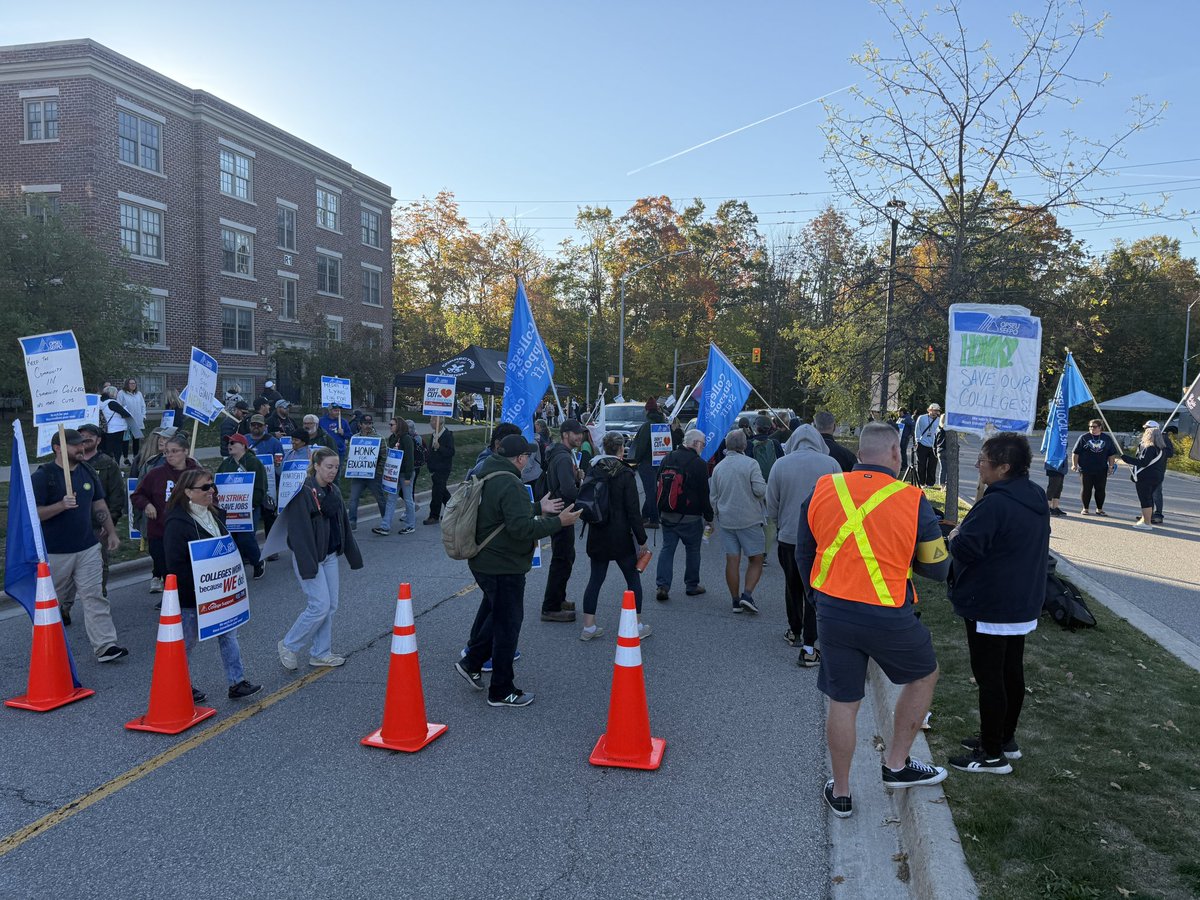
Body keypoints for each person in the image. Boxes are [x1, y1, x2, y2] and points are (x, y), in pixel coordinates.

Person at [796, 422, 951, 819]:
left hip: (832, 610)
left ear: (860, 452)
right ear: (896, 454)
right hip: (887, 614)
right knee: (923, 675)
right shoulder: (911, 498)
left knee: (843, 702)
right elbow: (936, 568)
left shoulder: (823, 488)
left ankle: (842, 793)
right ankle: (896, 765)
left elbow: (803, 552)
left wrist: (817, 596)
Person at [945, 433, 1048, 774]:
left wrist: (954, 536)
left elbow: (968, 547)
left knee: (990, 678)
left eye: (983, 462)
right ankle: (1004, 738)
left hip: (992, 603)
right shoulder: (1034, 494)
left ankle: (991, 755)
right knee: (1010, 671)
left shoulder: (996, 503)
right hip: (1021, 600)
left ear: (1004, 467)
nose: (979, 466)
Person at [454, 434, 582, 707]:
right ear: (520, 458)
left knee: (495, 616)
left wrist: (538, 506)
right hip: (503, 565)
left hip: (486, 561)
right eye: (528, 456)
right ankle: (501, 690)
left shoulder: (488, 473)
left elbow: (503, 514)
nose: (530, 461)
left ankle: (471, 662)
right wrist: (559, 521)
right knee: (507, 627)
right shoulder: (510, 482)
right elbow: (521, 528)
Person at [162, 468, 262, 701]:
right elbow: (175, 564)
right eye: (205, 487)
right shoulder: (177, 523)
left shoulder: (215, 515)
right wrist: (200, 588)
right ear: (188, 492)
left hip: (220, 593)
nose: (212, 491)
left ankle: (236, 682)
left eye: (212, 485)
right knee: (185, 644)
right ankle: (180, 687)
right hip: (192, 596)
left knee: (229, 635)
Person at [31, 429, 127, 662]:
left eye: (83, 444)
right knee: (54, 602)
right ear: (58, 448)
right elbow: (33, 514)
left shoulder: (87, 471)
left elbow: (99, 503)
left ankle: (105, 646)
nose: (81, 448)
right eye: (76, 445)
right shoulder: (44, 476)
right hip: (55, 551)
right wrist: (61, 506)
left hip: (88, 547)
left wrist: (111, 532)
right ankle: (45, 648)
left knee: (94, 596)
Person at [277, 447, 363, 669]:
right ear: (316, 466)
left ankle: (321, 653)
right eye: (328, 467)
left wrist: (354, 557)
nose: (333, 471)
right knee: (319, 606)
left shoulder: (333, 490)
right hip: (311, 557)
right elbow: (299, 534)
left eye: (336, 467)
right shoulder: (304, 492)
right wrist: (308, 566)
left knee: (330, 606)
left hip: (330, 555)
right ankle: (289, 645)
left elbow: (343, 524)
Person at [767, 422, 841, 665]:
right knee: (816, 588)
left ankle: (795, 630)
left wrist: (781, 524)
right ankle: (811, 639)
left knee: (792, 586)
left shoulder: (780, 464)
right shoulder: (830, 464)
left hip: (789, 537)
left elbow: (772, 504)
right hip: (821, 538)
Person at [580, 432, 651, 641]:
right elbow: (633, 511)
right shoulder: (625, 473)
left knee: (595, 579)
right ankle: (636, 624)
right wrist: (642, 539)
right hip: (620, 534)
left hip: (598, 530)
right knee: (632, 578)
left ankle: (589, 626)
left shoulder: (594, 468)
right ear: (621, 449)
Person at [132, 433, 201, 594]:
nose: (169, 455)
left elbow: (211, 495)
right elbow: (137, 495)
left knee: (186, 570)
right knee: (166, 569)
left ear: (185, 451)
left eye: (174, 451)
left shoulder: (197, 473)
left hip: (190, 531)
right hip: (160, 531)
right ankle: (172, 598)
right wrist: (147, 505)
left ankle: (187, 598)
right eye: (167, 452)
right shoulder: (156, 474)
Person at [710, 429, 768, 615]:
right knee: (756, 559)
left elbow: (713, 497)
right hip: (749, 519)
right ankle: (747, 595)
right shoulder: (751, 464)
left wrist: (718, 513)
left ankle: (735, 601)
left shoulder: (719, 467)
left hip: (727, 520)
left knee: (732, 560)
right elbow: (760, 490)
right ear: (744, 445)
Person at [654, 430, 714, 602]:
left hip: (667, 513)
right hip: (690, 516)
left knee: (667, 549)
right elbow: (704, 493)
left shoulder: (668, 457)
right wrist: (709, 517)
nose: (703, 447)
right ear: (695, 443)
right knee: (693, 550)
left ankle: (662, 586)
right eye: (702, 444)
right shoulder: (699, 464)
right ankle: (692, 585)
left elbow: (658, 483)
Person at [541, 419, 587, 622]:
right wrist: (582, 493)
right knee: (562, 560)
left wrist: (576, 476)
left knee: (566, 557)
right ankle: (550, 607)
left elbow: (566, 483)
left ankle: (559, 598)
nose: (580, 437)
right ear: (565, 434)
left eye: (581, 433)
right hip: (561, 512)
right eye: (576, 433)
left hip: (560, 511)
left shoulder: (563, 455)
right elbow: (568, 490)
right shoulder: (562, 458)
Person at [76, 423, 126, 599]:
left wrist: (110, 521)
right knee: (68, 567)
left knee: (99, 563)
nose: (85, 438)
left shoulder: (107, 464)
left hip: (97, 524)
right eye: (81, 435)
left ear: (98, 440)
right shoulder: (70, 463)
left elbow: (117, 495)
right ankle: (64, 606)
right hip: (71, 525)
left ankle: (99, 595)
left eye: (90, 435)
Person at [215, 434, 266, 579]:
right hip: (229, 508)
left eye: (233, 442)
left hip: (249, 508)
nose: (229, 445)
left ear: (243, 445)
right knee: (232, 539)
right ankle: (236, 569)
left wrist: (252, 504)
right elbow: (218, 483)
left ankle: (258, 562)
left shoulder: (253, 463)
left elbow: (260, 487)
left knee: (246, 537)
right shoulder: (225, 464)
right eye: (228, 443)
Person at [344, 415, 390, 535]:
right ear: (360, 424)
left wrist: (378, 471)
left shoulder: (379, 438)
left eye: (370, 423)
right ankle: (352, 522)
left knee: (380, 498)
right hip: (358, 475)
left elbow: (384, 456)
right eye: (365, 423)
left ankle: (386, 521)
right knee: (353, 499)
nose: (368, 426)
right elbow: (351, 455)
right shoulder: (354, 438)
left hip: (374, 475)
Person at [1121, 425, 1169, 531]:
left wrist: (1127, 459)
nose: (1144, 435)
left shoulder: (1150, 448)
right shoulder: (1161, 449)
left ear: (1150, 436)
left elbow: (1143, 463)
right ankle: (1144, 519)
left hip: (1146, 478)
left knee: (1145, 500)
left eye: (1146, 433)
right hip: (1156, 477)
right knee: (1149, 498)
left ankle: (1147, 523)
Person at [1071, 420, 1119, 516]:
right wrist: (1074, 464)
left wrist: (1111, 466)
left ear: (1100, 427)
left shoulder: (1107, 438)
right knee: (1086, 488)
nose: (1092, 428)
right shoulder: (1084, 437)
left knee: (1100, 489)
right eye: (1090, 427)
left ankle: (1099, 509)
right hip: (1086, 468)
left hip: (1101, 468)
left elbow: (1111, 454)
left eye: (1094, 426)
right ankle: (1085, 508)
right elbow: (1075, 452)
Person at [633, 398, 668, 529]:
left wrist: (636, 460)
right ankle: (645, 515)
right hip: (660, 462)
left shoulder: (647, 426)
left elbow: (641, 446)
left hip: (647, 462)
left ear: (647, 410)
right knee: (654, 490)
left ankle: (653, 519)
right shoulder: (663, 424)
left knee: (650, 491)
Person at [382, 417, 418, 536]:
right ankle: (385, 526)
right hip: (394, 474)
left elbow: (410, 459)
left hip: (405, 474)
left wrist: (408, 477)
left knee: (408, 500)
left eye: (392, 424)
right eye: (390, 424)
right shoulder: (392, 438)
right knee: (391, 500)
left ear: (399, 426)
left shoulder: (406, 439)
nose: (390, 426)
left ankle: (410, 525)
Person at [423, 415, 455, 524]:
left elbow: (451, 452)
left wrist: (439, 447)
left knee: (437, 492)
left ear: (439, 422)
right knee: (443, 492)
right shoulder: (434, 434)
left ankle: (434, 516)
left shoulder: (447, 435)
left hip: (443, 468)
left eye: (432, 420)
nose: (430, 422)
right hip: (434, 468)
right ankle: (454, 511)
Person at [1142, 420, 1174, 524]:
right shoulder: (1145, 438)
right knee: (1147, 493)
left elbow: (1170, 453)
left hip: (1157, 470)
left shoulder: (1163, 438)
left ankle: (1158, 515)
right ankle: (1147, 515)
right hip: (1146, 470)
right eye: (1145, 428)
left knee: (1156, 493)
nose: (1146, 430)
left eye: (1148, 428)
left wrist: (1158, 447)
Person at [117, 378, 147, 464]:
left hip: (137, 420)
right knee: (125, 440)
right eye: (131, 383)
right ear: (127, 384)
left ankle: (135, 457)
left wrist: (143, 416)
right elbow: (119, 406)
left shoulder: (139, 394)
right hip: (126, 420)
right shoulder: (121, 393)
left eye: (134, 383)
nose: (133, 385)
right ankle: (126, 458)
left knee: (136, 440)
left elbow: (143, 405)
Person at [99, 386, 132, 461]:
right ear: (112, 393)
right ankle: (116, 465)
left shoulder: (101, 403)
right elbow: (126, 414)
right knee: (117, 448)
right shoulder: (112, 403)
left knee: (108, 448)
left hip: (107, 428)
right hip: (117, 428)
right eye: (116, 392)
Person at [913, 403, 941, 487]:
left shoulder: (939, 420)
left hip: (934, 445)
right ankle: (921, 482)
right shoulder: (922, 418)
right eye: (934, 410)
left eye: (937, 411)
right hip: (922, 444)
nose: (935, 412)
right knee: (921, 464)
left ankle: (930, 483)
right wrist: (917, 441)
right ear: (929, 410)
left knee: (932, 466)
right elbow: (917, 430)